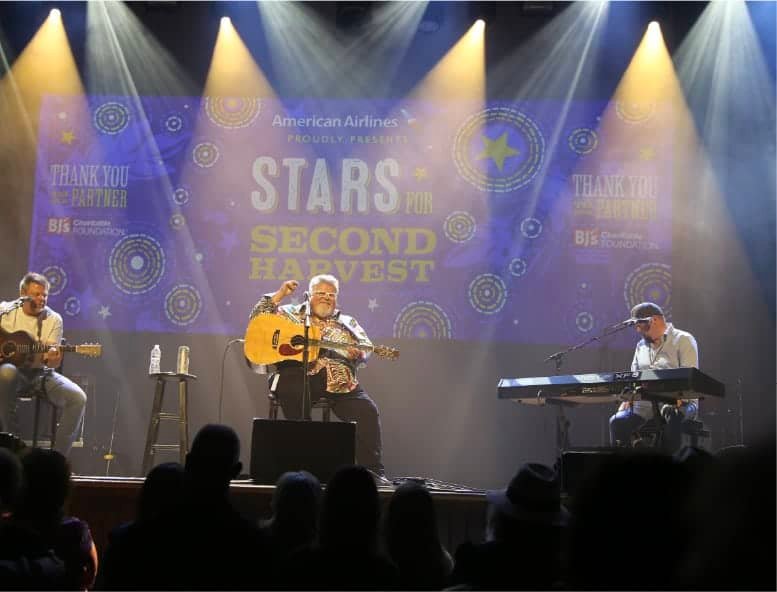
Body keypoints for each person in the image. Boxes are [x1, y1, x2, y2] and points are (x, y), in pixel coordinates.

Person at [249, 274, 385, 476]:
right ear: (309, 295)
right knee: (293, 390)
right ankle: (304, 464)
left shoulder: (348, 323)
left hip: (340, 381)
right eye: (321, 293)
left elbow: (366, 350)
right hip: (298, 374)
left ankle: (373, 472)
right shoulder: (290, 314)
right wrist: (280, 294)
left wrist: (360, 354)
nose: (326, 297)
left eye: (331, 294)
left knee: (368, 411)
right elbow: (257, 318)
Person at [0, 272, 86, 457]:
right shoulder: (5, 311)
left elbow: (52, 359)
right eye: (36, 294)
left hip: (40, 374)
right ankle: (12, 450)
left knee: (78, 398)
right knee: (7, 372)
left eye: (45, 295)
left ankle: (58, 458)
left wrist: (53, 357)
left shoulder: (53, 319)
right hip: (10, 373)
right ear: (23, 293)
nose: (41, 299)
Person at [609, 302, 699, 450]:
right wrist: (628, 400)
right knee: (617, 421)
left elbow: (689, 380)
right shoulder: (640, 346)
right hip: (646, 403)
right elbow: (634, 377)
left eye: (640, 324)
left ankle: (668, 466)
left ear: (655, 320)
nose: (637, 329)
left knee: (672, 414)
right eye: (635, 326)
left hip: (678, 401)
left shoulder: (683, 340)